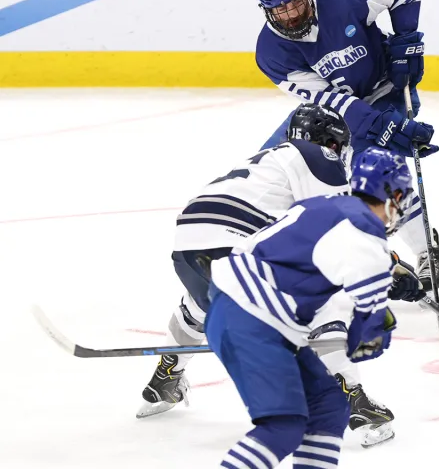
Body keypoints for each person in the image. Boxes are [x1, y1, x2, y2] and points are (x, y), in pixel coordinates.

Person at [137, 105, 415, 447]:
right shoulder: (319, 157)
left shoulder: (271, 160)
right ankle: (355, 402)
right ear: (332, 141)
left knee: (199, 303)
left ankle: (166, 376)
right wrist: (395, 268)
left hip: (189, 242)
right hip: (234, 240)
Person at [252, 0, 439, 304]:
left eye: (297, 2)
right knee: (271, 168)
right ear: (266, 9)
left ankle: (429, 255)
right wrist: (377, 126)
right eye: (281, 9)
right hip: (335, 109)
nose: (292, 14)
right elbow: (328, 100)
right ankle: (277, 265)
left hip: (386, 88)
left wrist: (407, 39)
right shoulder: (271, 52)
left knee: (374, 170)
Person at [204, 147, 415, 468]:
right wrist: (374, 329)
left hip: (233, 304)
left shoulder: (320, 205)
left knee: (329, 407)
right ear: (393, 195)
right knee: (283, 426)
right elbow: (367, 342)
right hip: (253, 319)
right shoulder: (368, 240)